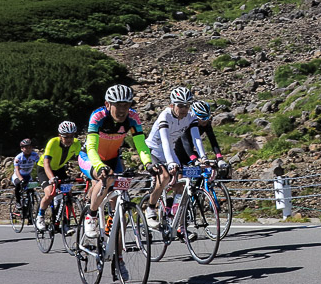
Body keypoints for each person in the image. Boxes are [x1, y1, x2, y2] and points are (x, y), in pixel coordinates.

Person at [79, 85, 153, 250]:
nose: (122, 109)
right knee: (105, 179)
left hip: (113, 159)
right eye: (118, 105)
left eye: (126, 105)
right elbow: (91, 147)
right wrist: (99, 166)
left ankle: (118, 258)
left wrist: (148, 163)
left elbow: (141, 145)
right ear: (107, 104)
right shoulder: (98, 116)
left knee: (120, 206)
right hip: (90, 158)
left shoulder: (133, 117)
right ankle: (91, 216)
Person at [145, 85, 207, 232]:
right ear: (172, 105)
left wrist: (203, 158)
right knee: (165, 176)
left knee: (182, 183)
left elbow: (196, 139)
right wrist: (171, 163)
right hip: (153, 150)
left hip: (169, 151)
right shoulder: (164, 116)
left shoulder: (191, 117)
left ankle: (175, 219)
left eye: (187, 105)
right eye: (180, 106)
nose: (184, 109)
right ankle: (150, 209)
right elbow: (165, 141)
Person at [36, 121, 81, 231]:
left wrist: (85, 174)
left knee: (69, 196)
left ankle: (66, 224)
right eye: (66, 137)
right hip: (44, 169)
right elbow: (46, 163)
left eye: (72, 136)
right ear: (60, 135)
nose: (69, 139)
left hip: (60, 169)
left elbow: (82, 161)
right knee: (50, 193)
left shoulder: (76, 143)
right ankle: (40, 216)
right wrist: (51, 178)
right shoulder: (53, 142)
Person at [177, 100, 228, 173]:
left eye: (208, 117)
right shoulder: (186, 123)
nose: (205, 121)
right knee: (182, 176)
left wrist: (219, 158)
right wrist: (194, 159)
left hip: (189, 151)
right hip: (177, 151)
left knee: (206, 172)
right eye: (202, 119)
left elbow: (213, 141)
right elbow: (185, 143)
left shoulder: (206, 124)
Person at [11, 139, 41, 206]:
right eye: (26, 148)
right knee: (18, 185)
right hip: (18, 175)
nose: (28, 149)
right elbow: (17, 170)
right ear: (22, 148)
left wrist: (40, 176)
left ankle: (29, 204)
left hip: (27, 175)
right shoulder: (18, 158)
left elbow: (39, 166)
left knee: (30, 190)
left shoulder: (35, 155)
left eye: (30, 147)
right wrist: (21, 180)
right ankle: (18, 202)